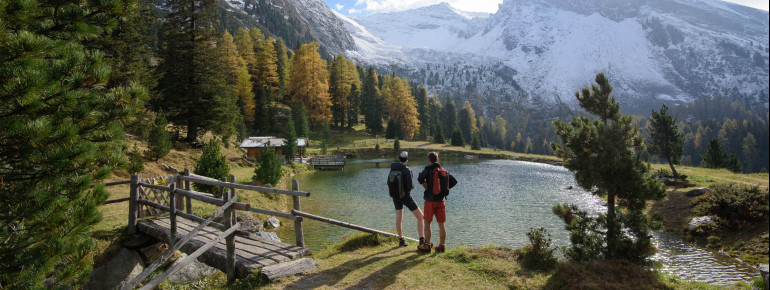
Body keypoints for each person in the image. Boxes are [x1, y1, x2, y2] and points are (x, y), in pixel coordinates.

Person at [389, 151, 425, 247]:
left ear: (399, 159)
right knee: (421, 217)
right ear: (406, 160)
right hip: (405, 196)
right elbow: (409, 186)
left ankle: (401, 240)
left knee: (399, 217)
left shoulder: (393, 168)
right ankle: (421, 240)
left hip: (395, 196)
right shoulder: (407, 170)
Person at [417, 151, 447, 253]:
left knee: (427, 223)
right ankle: (441, 246)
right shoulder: (442, 169)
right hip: (441, 201)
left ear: (429, 160)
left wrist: (424, 183)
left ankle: (427, 245)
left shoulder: (428, 169)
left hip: (430, 200)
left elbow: (420, 177)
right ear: (437, 159)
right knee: (441, 225)